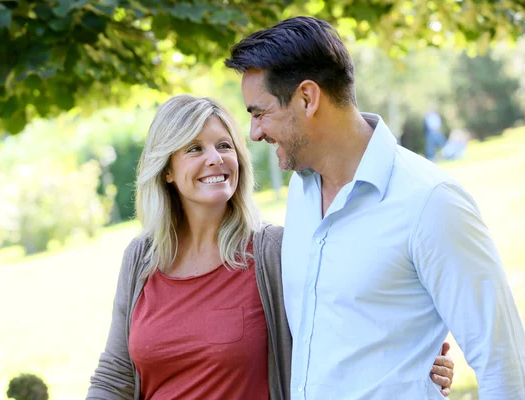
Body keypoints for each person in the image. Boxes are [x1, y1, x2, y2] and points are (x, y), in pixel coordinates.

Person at [225, 16, 525, 399]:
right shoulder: (300, 195)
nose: (254, 133)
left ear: (306, 98)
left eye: (259, 112)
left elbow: (504, 363)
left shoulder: (431, 202)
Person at [86, 95, 455, 399]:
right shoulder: (142, 257)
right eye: (194, 149)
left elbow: (341, 332)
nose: (214, 158)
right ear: (166, 170)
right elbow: (115, 374)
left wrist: (415, 360)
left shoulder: (271, 252)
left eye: (224, 145)